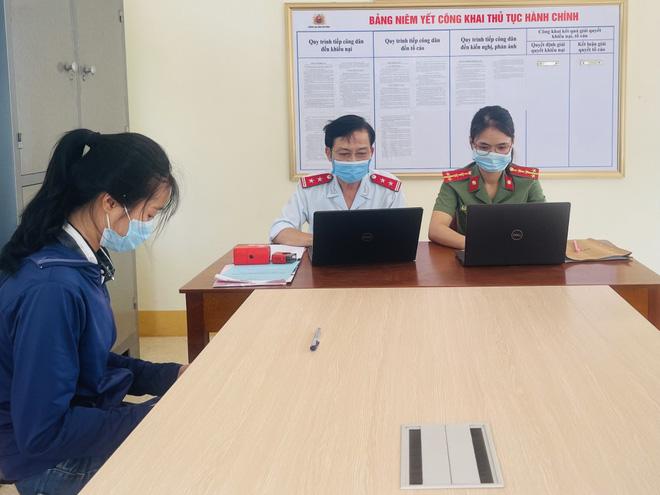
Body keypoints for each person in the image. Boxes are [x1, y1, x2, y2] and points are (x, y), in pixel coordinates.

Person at [0, 129, 186, 494]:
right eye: (148, 214)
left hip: (68, 431)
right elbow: (43, 433)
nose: (146, 226)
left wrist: (171, 376)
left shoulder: (77, 262)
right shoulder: (53, 288)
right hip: (46, 462)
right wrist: (157, 416)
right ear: (110, 203)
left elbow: (90, 361)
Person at [270, 114, 406, 246]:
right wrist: (322, 240)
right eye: (344, 153)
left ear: (372, 152)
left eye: (361, 153)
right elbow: (279, 230)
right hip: (324, 259)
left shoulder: (388, 188)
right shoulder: (311, 188)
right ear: (329, 153)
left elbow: (402, 234)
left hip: (377, 259)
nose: (353, 160)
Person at [429, 105, 546, 249]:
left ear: (512, 143)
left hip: (517, 257)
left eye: (502, 147)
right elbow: (436, 229)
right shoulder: (455, 183)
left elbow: (544, 227)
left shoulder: (528, 181)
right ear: (472, 143)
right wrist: (481, 246)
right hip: (472, 256)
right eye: (484, 147)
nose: (493, 154)